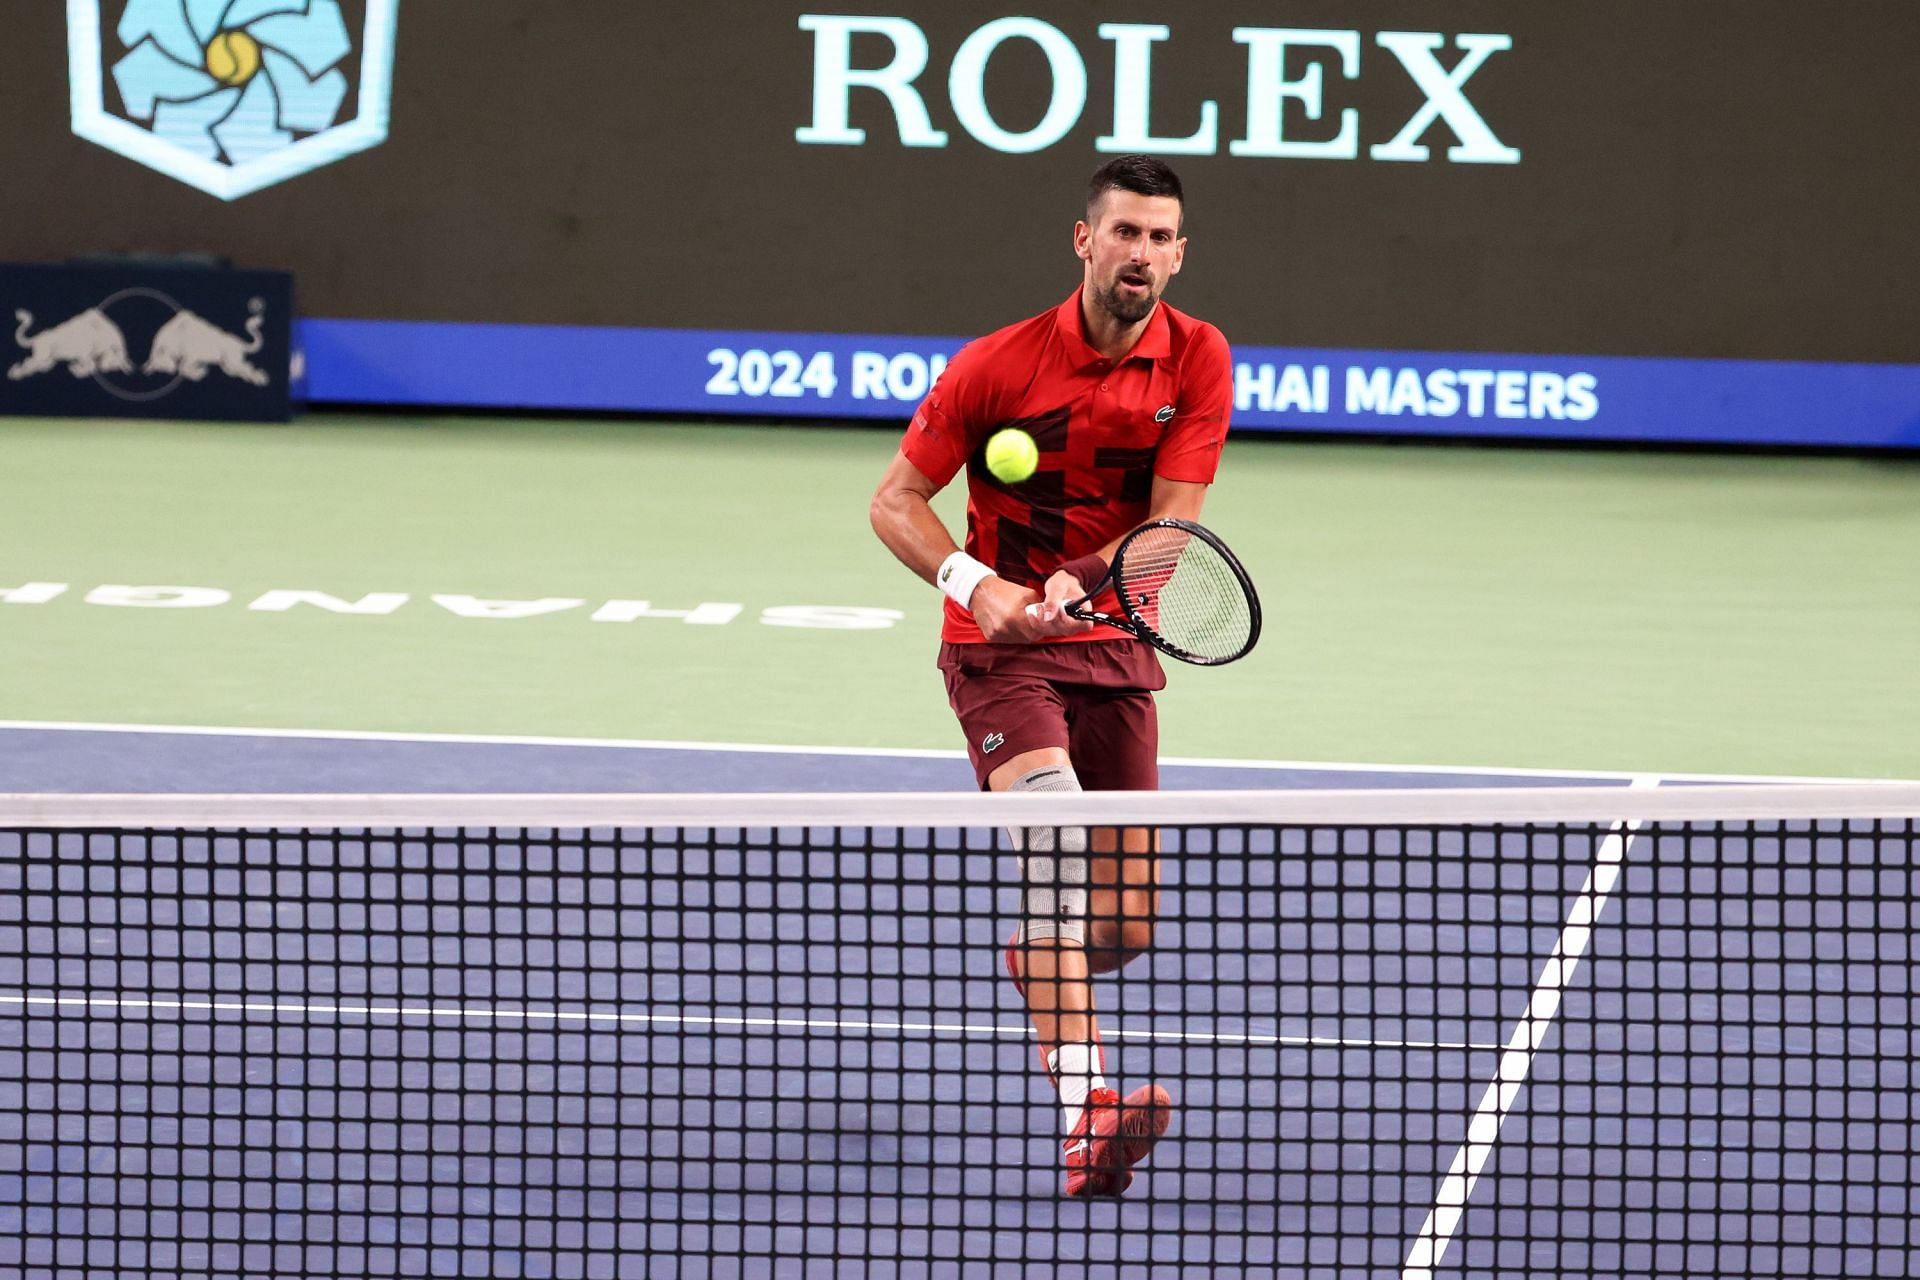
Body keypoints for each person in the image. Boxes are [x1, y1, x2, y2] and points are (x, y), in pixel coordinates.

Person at [869, 155, 1234, 1197]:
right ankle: (1089, 1107)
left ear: (1179, 253)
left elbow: (1173, 530)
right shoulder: (997, 364)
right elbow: (895, 499)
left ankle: (1047, 953)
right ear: (1086, 240)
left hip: (1114, 647)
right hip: (999, 654)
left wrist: (1078, 582)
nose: (1143, 254)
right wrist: (977, 583)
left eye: (1162, 238)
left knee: (1121, 923)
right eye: (1126, 233)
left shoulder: (1198, 357)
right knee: (1056, 836)